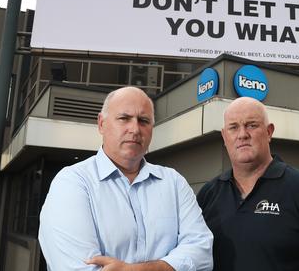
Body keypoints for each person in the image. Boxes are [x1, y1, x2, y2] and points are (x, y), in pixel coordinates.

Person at [39, 86, 213, 271]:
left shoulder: (174, 182)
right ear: (101, 124)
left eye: (143, 121)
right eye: (124, 118)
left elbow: (202, 253)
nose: (135, 129)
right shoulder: (72, 183)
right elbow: (77, 268)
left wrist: (135, 270)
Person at [196, 97, 299, 271]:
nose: (242, 134)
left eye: (251, 125)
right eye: (233, 127)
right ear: (225, 137)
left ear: (269, 132)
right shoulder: (207, 195)